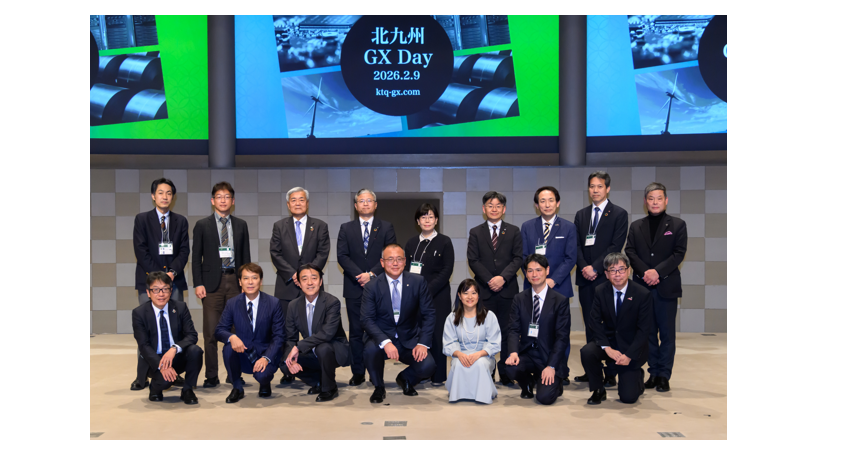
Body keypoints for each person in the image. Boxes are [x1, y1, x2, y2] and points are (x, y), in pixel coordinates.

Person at [624, 182, 687, 393]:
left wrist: (657, 272)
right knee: (648, 333)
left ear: (666, 200)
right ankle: (652, 372)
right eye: (651, 198)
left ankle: (664, 375)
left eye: (659, 198)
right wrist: (646, 272)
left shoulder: (678, 225)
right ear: (645, 202)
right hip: (642, 288)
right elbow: (630, 252)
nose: (655, 202)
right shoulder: (636, 226)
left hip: (666, 287)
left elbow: (678, 253)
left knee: (667, 334)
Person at [130, 178, 190, 391]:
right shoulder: (142, 219)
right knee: (146, 330)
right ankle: (142, 376)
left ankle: (174, 372)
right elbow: (141, 250)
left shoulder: (181, 221)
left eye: (169, 193)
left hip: (174, 281)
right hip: (149, 282)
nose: (165, 197)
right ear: (153, 196)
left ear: (173, 197)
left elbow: (184, 251)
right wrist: (157, 279)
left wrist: (172, 273)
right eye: (161, 193)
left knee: (176, 329)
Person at [191, 181, 252, 388]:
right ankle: (211, 376)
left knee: (237, 330)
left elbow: (246, 256)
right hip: (211, 285)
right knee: (211, 332)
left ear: (233, 201)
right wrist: (198, 283)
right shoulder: (202, 225)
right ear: (212, 201)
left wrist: (246, 282)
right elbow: (196, 258)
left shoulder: (241, 225)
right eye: (219, 197)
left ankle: (234, 373)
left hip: (235, 281)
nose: (223, 200)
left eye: (227, 197)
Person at [270, 187, 330, 384]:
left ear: (307, 203)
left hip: (312, 286)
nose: (297, 203)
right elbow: (275, 253)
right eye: (293, 200)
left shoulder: (320, 226)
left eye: (301, 199)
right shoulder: (279, 226)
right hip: (286, 285)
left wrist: (307, 276)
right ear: (288, 205)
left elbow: (323, 253)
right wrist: (293, 274)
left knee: (315, 329)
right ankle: (288, 370)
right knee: (287, 332)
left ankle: (316, 368)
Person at [361, 244, 436, 403]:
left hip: (409, 337)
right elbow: (366, 319)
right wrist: (386, 342)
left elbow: (429, 314)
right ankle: (379, 387)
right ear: (382, 262)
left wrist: (423, 343)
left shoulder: (418, 282)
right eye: (390, 259)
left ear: (405, 261)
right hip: (382, 337)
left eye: (399, 259)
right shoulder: (372, 286)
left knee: (428, 366)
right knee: (370, 351)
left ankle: (405, 378)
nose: (395, 263)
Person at [336, 189, 397, 386]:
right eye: (361, 201)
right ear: (356, 206)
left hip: (379, 286)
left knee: (376, 331)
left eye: (369, 200)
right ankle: (358, 372)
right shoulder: (346, 228)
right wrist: (360, 276)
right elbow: (342, 256)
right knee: (355, 332)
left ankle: (374, 372)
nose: (365, 204)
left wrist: (371, 274)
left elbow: (391, 255)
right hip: (354, 286)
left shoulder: (386, 227)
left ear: (375, 204)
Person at [573, 171, 628, 386]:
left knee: (610, 324)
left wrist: (595, 267)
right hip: (586, 278)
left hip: (607, 278)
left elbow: (615, 246)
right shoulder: (581, 215)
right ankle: (592, 370)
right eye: (592, 186)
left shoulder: (619, 214)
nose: (595, 190)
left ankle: (611, 372)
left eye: (599, 186)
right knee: (591, 323)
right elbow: (576, 245)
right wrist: (584, 267)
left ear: (608, 189)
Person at [520, 186, 577, 385]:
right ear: (536, 205)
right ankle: (536, 369)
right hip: (534, 288)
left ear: (558, 203)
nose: (547, 204)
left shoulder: (568, 227)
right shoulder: (527, 227)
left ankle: (561, 371)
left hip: (558, 287)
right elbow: (524, 257)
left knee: (560, 332)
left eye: (551, 200)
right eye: (542, 201)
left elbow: (570, 258)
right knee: (534, 329)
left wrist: (552, 280)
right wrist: (537, 278)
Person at [580, 252, 652, 405]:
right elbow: (594, 322)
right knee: (587, 352)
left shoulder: (642, 294)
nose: (617, 274)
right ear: (606, 274)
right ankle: (598, 389)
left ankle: (637, 375)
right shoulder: (600, 290)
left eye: (621, 269)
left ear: (628, 270)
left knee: (628, 398)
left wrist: (629, 355)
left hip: (631, 347)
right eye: (612, 270)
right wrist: (607, 348)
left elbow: (644, 330)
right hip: (610, 342)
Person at [467, 191, 523, 385]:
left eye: (498, 206)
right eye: (490, 206)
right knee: (484, 333)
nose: (494, 209)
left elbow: (518, 258)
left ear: (504, 209)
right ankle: (487, 370)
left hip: (508, 290)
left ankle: (506, 372)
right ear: (484, 209)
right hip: (485, 290)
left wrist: (503, 278)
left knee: (508, 332)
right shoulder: (476, 232)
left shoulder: (514, 231)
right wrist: (490, 280)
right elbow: (473, 260)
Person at [214, 263, 285, 403]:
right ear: (240, 282)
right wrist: (232, 337)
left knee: (262, 376)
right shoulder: (232, 303)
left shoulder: (273, 303)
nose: (250, 282)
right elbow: (219, 330)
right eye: (246, 278)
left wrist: (266, 358)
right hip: (243, 352)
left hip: (264, 353)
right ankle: (237, 387)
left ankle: (265, 383)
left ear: (261, 281)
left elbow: (279, 336)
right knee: (228, 348)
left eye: (254, 278)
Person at [504, 254, 570, 405]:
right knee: (511, 368)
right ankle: (527, 383)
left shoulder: (560, 301)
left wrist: (551, 366)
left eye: (539, 270)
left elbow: (562, 337)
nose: (534, 274)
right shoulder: (519, 299)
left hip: (548, 355)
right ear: (526, 274)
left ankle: (555, 381)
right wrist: (513, 352)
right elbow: (513, 329)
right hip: (528, 352)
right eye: (530, 270)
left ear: (547, 270)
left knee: (544, 398)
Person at [280, 264, 350, 402]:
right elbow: (290, 337)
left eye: (314, 278)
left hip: (333, 349)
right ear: (299, 283)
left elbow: (327, 333)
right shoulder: (293, 305)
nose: (310, 282)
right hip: (311, 350)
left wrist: (299, 347)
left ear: (320, 281)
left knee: (322, 348)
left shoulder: (332, 302)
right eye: (304, 279)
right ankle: (319, 381)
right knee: (284, 361)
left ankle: (329, 388)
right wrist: (291, 359)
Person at [132, 271, 203, 404]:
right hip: (154, 360)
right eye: (156, 290)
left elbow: (192, 335)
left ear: (171, 291)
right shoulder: (139, 313)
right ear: (148, 293)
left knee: (195, 351)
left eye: (165, 289)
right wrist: (162, 365)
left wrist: (174, 348)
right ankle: (155, 388)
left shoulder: (180, 307)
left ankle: (187, 389)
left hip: (175, 356)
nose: (161, 294)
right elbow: (144, 345)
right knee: (166, 381)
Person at [404, 203, 454, 386]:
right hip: (415, 296)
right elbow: (406, 269)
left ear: (436, 220)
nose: (427, 220)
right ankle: (422, 372)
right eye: (423, 217)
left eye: (431, 217)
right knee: (419, 333)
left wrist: (427, 291)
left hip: (438, 295)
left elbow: (447, 270)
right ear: (418, 221)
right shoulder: (411, 243)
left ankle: (438, 376)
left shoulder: (444, 241)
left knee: (437, 333)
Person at [442, 279, 501, 404]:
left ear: (478, 296)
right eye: (465, 293)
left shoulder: (489, 316)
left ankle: (483, 394)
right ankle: (458, 394)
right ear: (459, 295)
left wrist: (479, 354)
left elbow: (495, 343)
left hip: (483, 355)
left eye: (474, 293)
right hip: (461, 354)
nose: (470, 297)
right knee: (458, 364)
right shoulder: (452, 317)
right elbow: (448, 343)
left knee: (480, 363)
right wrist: (459, 354)